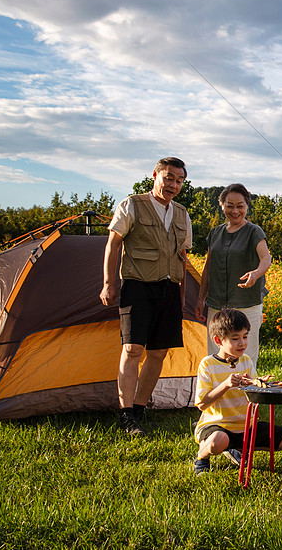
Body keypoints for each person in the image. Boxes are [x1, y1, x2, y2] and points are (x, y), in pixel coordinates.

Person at [100, 157, 192, 436]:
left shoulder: (182, 214)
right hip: (137, 286)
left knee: (158, 353)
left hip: (169, 289)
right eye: (169, 178)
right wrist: (108, 283)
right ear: (155, 175)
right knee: (132, 350)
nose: (173, 185)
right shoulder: (132, 205)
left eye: (179, 180)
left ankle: (139, 409)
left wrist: (185, 297)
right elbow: (113, 244)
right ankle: (126, 414)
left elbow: (183, 258)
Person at [193, 308, 282, 475]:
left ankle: (238, 447)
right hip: (217, 425)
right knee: (219, 441)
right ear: (218, 340)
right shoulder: (207, 364)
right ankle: (202, 457)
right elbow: (202, 403)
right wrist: (225, 385)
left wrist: (257, 384)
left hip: (246, 425)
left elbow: (254, 395)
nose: (242, 343)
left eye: (245, 337)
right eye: (235, 338)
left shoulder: (245, 361)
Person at [195, 183, 271, 365]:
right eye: (229, 205)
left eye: (240, 206)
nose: (235, 211)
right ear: (221, 205)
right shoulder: (215, 233)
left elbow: (266, 258)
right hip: (216, 302)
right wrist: (200, 298)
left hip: (247, 302)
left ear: (247, 206)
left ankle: (243, 392)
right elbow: (208, 267)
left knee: (245, 356)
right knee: (216, 353)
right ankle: (217, 392)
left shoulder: (254, 231)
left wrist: (256, 273)